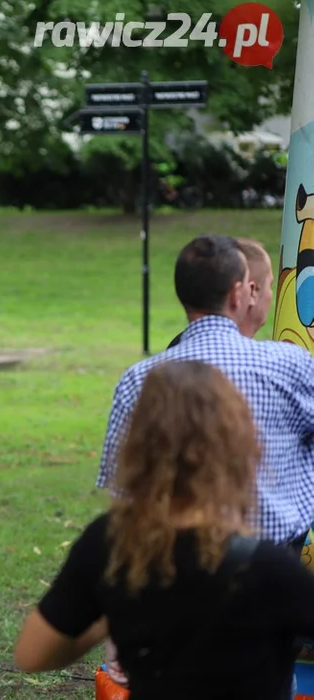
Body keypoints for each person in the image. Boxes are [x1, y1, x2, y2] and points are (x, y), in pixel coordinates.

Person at [16, 360, 314, 699]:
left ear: (137, 445)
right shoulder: (270, 568)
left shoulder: (112, 544)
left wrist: (107, 617)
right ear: (240, 446)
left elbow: (31, 654)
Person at [97, 234, 314, 688]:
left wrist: (118, 628)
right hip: (272, 574)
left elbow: (126, 499)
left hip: (170, 574)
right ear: (242, 291)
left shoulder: (139, 379)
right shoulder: (291, 365)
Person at [166, 237, 273, 347]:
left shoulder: (176, 349)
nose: (271, 295)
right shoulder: (274, 359)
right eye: (270, 285)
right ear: (250, 292)